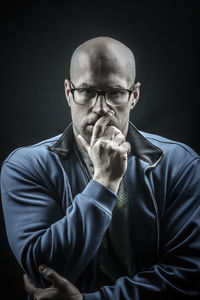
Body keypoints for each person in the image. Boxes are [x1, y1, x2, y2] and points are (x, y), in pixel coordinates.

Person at [1, 36, 200, 300]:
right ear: (68, 93)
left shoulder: (181, 164)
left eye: (115, 93)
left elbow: (189, 274)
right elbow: (43, 269)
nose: (100, 108)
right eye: (87, 91)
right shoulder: (26, 165)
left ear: (134, 96)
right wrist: (104, 182)